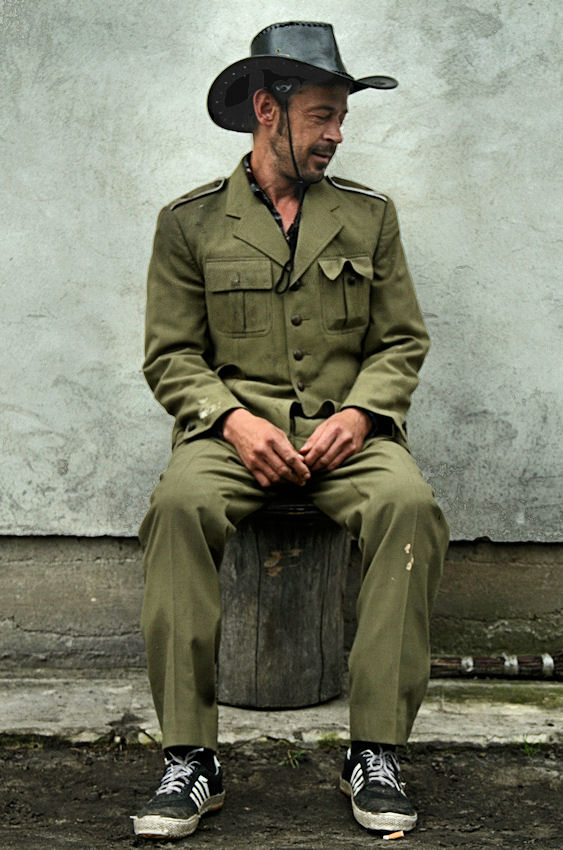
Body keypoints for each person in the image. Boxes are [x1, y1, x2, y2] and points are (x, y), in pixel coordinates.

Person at [133, 20, 449, 840]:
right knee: (176, 510)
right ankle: (190, 757)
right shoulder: (190, 223)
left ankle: (374, 750)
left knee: (410, 508)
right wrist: (232, 421)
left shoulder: (368, 217)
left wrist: (362, 413)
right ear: (266, 112)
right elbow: (171, 356)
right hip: (229, 438)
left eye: (341, 116)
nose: (337, 134)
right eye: (321, 116)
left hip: (348, 437)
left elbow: (400, 341)